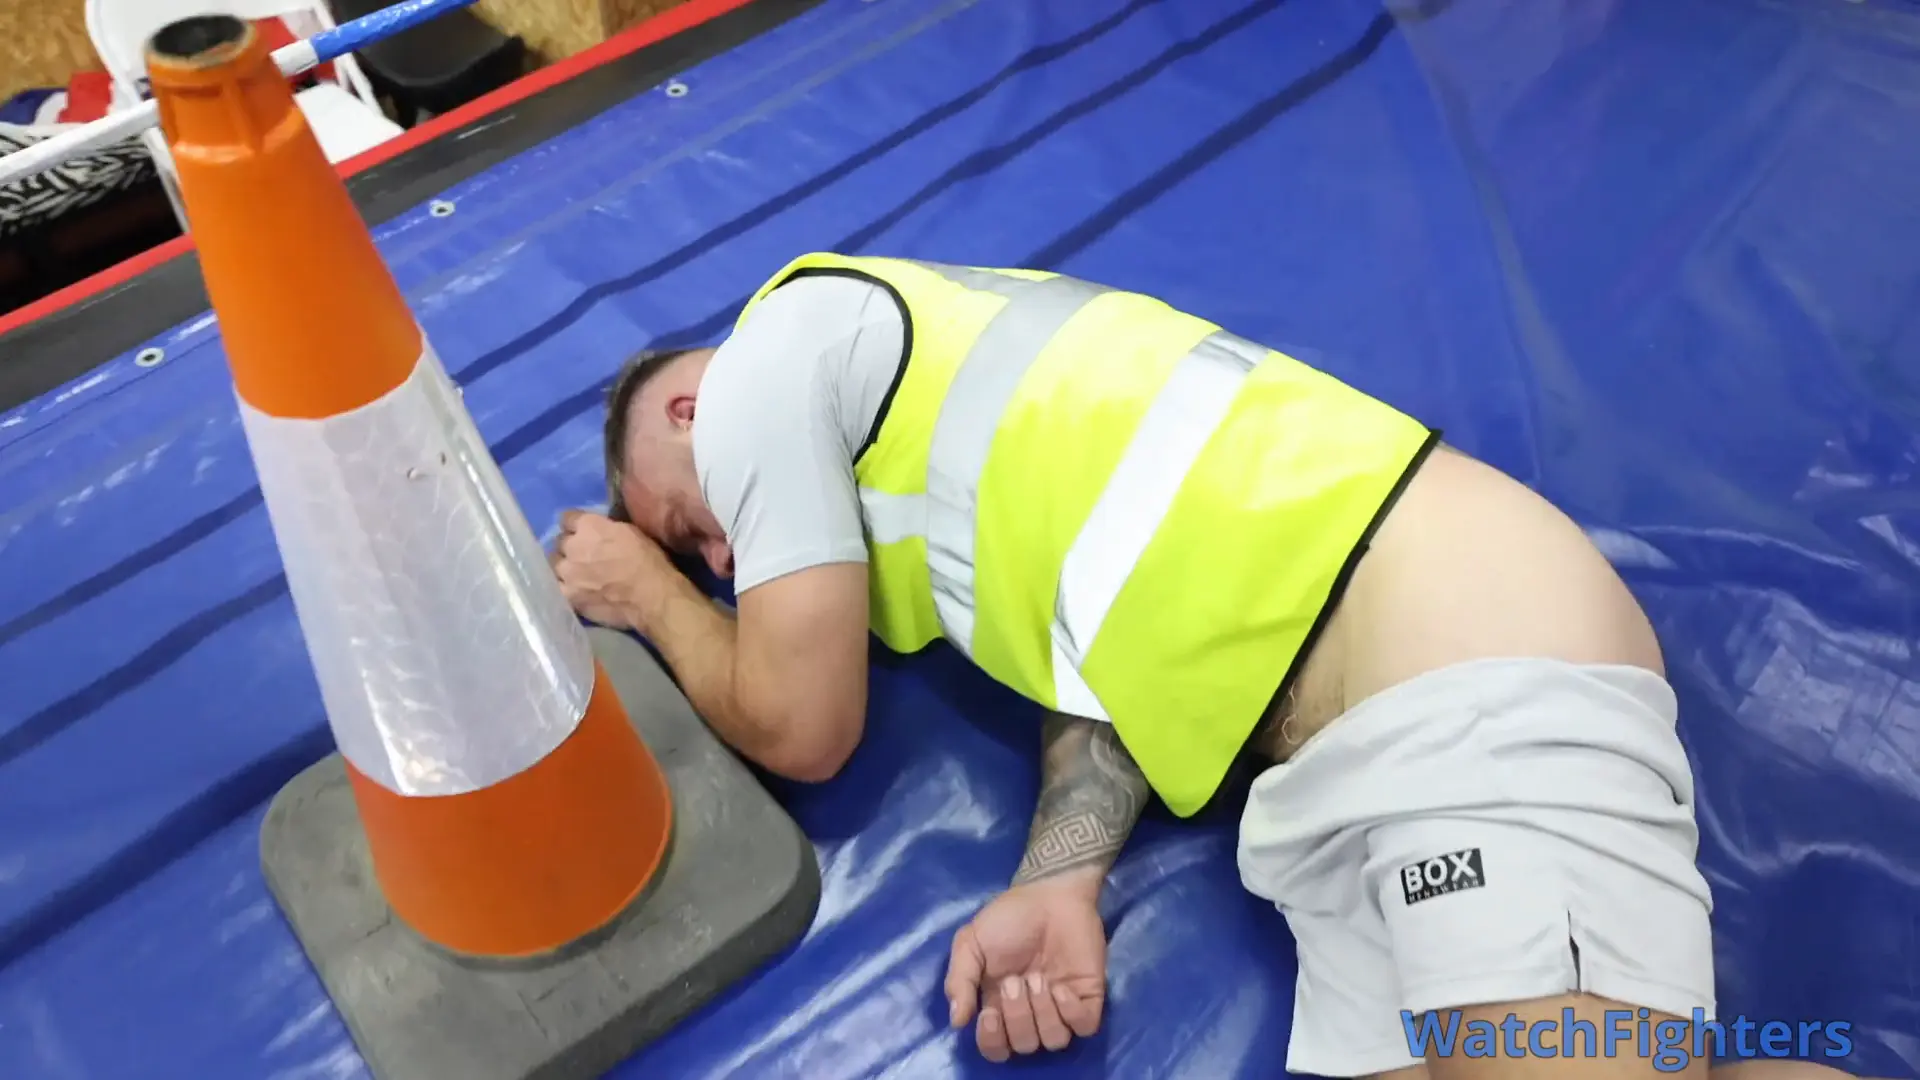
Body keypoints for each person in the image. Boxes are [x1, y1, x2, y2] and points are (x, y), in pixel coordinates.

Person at [548, 253, 1802, 1080]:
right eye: (701, 561)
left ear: (688, 415)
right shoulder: (960, 453)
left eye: (693, 527)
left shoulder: (770, 358)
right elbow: (1107, 666)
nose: (726, 562)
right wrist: (1058, 877)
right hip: (1352, 767)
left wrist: (647, 590)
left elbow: (799, 722)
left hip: (1455, 646)